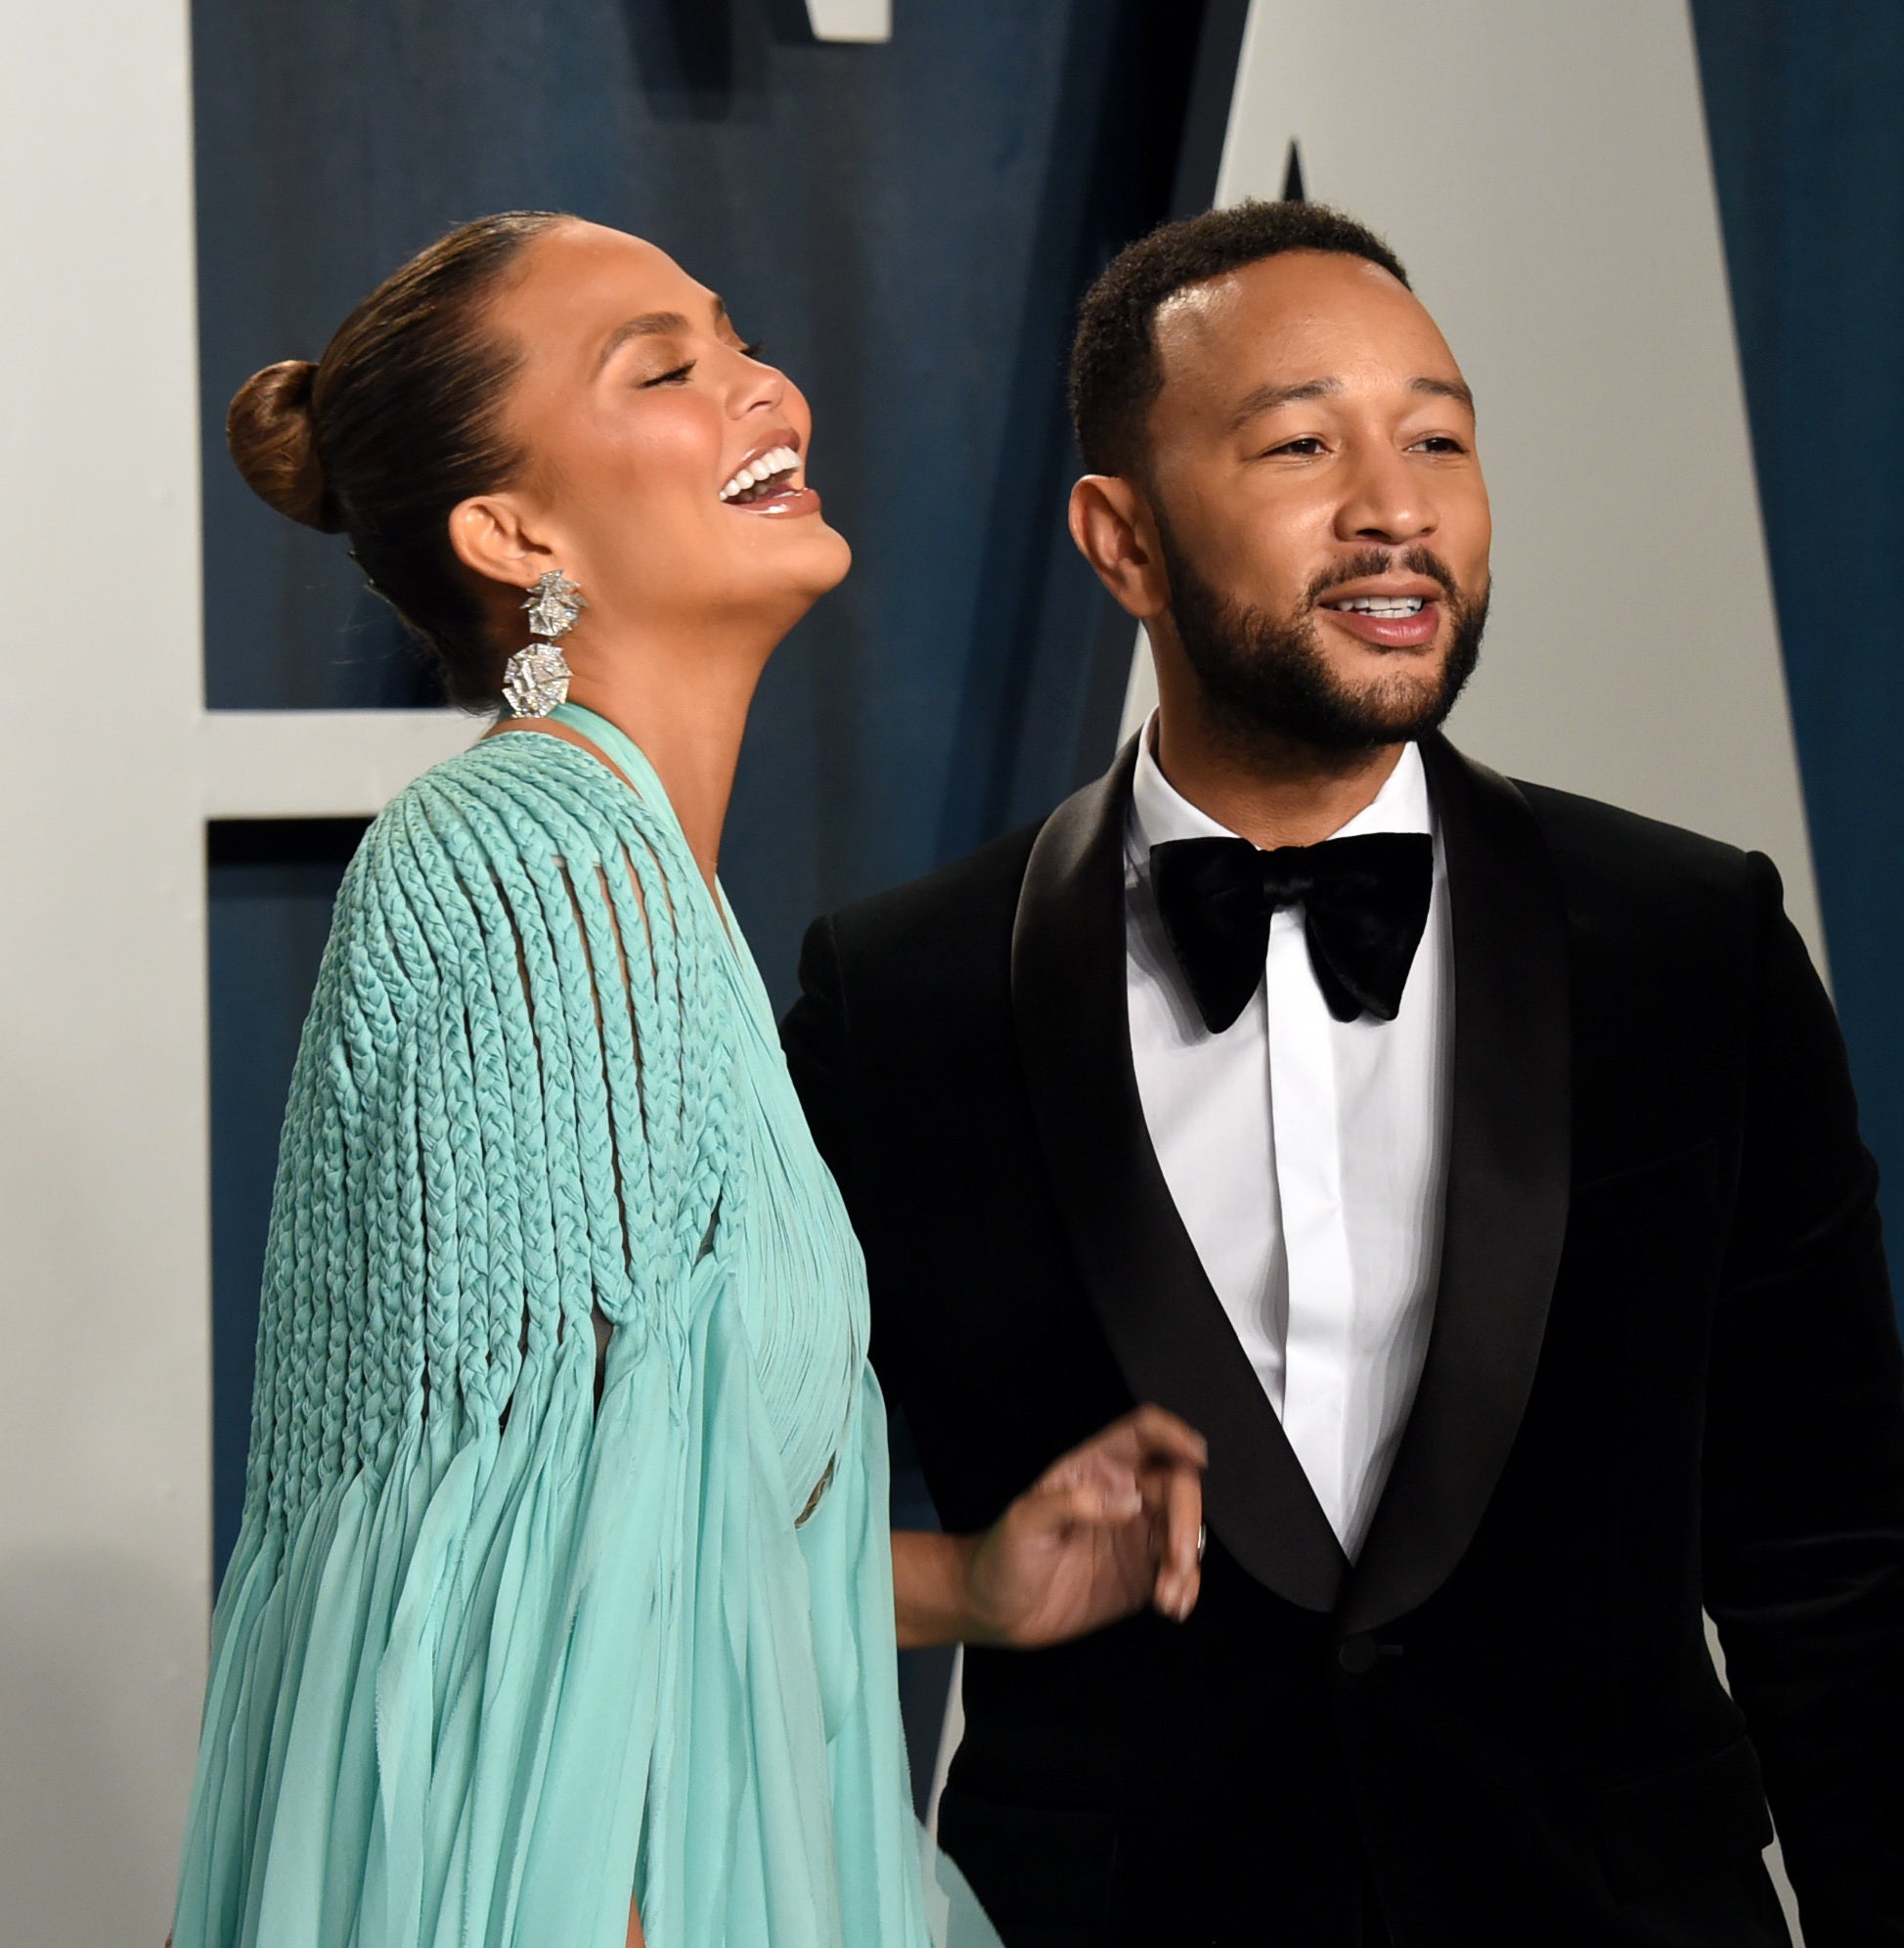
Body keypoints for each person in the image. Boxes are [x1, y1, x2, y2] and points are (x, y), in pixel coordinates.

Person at [780, 199, 1904, 1947]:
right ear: (1121, 539)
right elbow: (732, 1526)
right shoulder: (898, 998)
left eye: (1440, 437)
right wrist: (960, 1594)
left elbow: (1833, 1553)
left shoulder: (1691, 942)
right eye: (1304, 442)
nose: (1398, 508)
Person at [169, 211, 1208, 1948]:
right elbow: (496, 1645)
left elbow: (630, 1542)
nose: (766, 390)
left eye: (738, 341)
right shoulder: (531, 868)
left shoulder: (647, 887)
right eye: (667, 369)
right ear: (513, 533)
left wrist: (971, 1586)